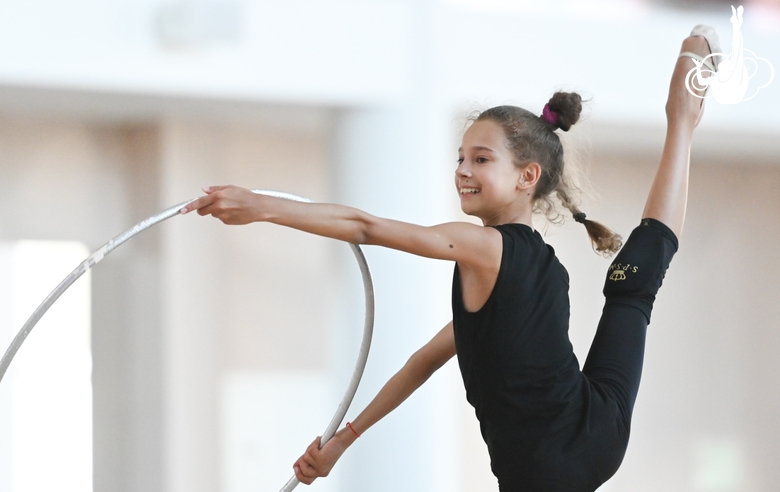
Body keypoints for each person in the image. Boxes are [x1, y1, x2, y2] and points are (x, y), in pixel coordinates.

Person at [181, 25, 718, 492]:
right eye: (460, 157)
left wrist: (261, 206)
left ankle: (682, 112)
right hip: (587, 430)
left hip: (556, 461)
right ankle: (683, 120)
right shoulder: (529, 267)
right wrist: (341, 442)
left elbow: (366, 227)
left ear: (526, 177)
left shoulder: (485, 248)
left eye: (480, 159)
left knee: (633, 287)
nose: (462, 169)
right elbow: (423, 360)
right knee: (633, 287)